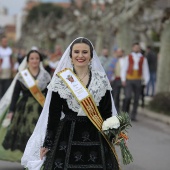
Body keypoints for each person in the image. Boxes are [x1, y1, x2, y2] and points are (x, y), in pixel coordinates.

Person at [21, 37, 120, 170]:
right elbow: (54, 114)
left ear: (91, 56)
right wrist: (48, 143)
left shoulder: (101, 79)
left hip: (97, 135)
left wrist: (113, 135)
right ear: (71, 55)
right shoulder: (61, 80)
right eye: (76, 52)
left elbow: (107, 112)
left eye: (85, 52)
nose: (80, 55)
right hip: (67, 134)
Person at [0, 50, 51, 162]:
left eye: (37, 58)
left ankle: (36, 160)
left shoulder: (45, 76)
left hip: (39, 108)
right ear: (27, 61)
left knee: (36, 134)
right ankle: (26, 159)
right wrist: (11, 111)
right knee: (24, 134)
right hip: (24, 108)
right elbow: (15, 94)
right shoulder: (22, 75)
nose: (34, 61)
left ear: (40, 60)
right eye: (32, 58)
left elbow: (49, 94)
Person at [121, 43, 150, 121]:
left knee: (136, 99)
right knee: (128, 97)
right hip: (129, 79)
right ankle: (125, 113)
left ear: (139, 49)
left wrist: (146, 81)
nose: (136, 49)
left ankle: (133, 115)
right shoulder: (128, 57)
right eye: (135, 47)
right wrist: (123, 79)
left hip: (138, 80)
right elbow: (124, 69)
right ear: (133, 48)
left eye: (138, 48)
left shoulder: (143, 58)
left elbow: (145, 70)